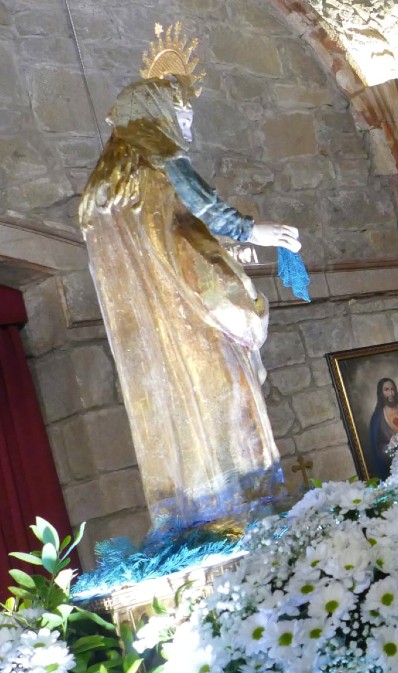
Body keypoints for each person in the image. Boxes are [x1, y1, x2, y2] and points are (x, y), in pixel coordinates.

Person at [77, 24, 300, 528]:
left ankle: (196, 513)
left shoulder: (105, 190)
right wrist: (256, 231)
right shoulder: (159, 157)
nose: (188, 130)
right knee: (229, 396)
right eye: (182, 116)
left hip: (156, 337)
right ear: (156, 116)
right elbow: (203, 208)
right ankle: (247, 505)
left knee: (180, 407)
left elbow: (167, 238)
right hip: (195, 313)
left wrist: (224, 251)